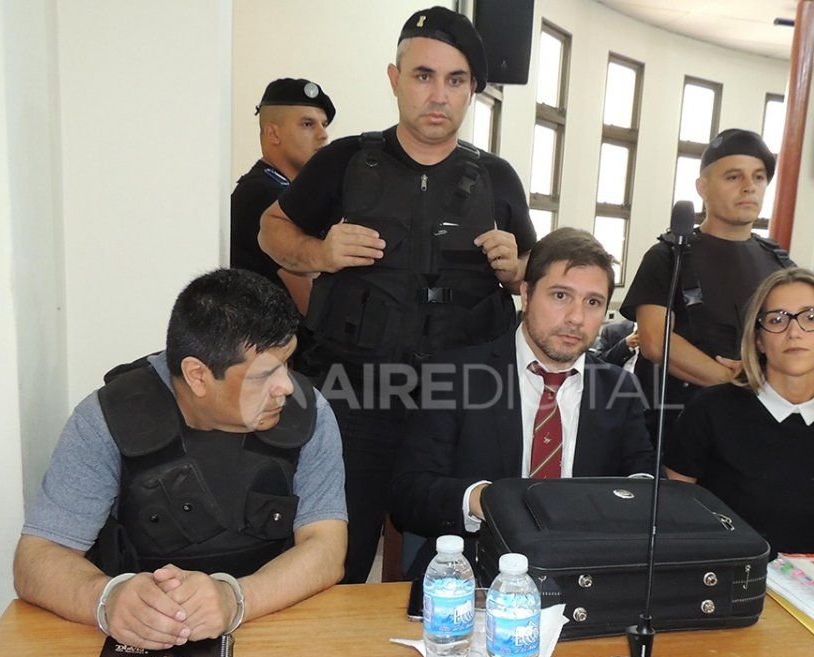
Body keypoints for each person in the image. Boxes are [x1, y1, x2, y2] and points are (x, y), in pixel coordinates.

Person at [258, 6, 536, 583]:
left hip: (462, 409)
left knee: (455, 570)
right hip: (355, 403)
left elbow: (533, 279)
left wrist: (516, 272)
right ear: (394, 79)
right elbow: (272, 229)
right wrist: (322, 254)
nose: (439, 94)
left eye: (456, 80)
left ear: (472, 92)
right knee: (337, 560)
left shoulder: (498, 178)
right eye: (423, 75)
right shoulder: (344, 162)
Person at [12, 269, 347, 650]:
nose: (287, 387)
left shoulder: (309, 411)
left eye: (287, 363)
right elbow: (36, 558)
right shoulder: (108, 418)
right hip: (143, 641)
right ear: (198, 376)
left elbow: (326, 547)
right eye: (265, 374)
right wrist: (106, 600)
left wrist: (234, 598)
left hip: (273, 620)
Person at [390, 228, 655, 577]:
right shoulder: (454, 374)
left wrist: (636, 496)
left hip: (585, 574)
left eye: (593, 302)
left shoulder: (619, 388)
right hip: (473, 573)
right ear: (527, 295)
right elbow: (409, 493)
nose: (576, 318)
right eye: (561, 296)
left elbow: (645, 479)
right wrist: (484, 500)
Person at [665, 267, 814, 574]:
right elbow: (674, 511)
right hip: (718, 581)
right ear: (758, 340)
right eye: (776, 319)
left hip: (810, 587)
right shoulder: (709, 409)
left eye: (811, 317)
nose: (794, 331)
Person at [620, 128, 793, 445]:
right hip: (673, 427)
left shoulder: (780, 264)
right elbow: (656, 341)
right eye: (733, 177)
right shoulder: (668, 256)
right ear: (702, 187)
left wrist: (766, 374)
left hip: (754, 427)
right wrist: (739, 381)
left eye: (758, 177)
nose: (748, 188)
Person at [230, 77, 335, 318]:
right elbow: (313, 305)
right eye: (308, 124)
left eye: (324, 124)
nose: (323, 135)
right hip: (277, 350)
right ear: (273, 133)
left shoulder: (280, 190)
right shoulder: (264, 196)